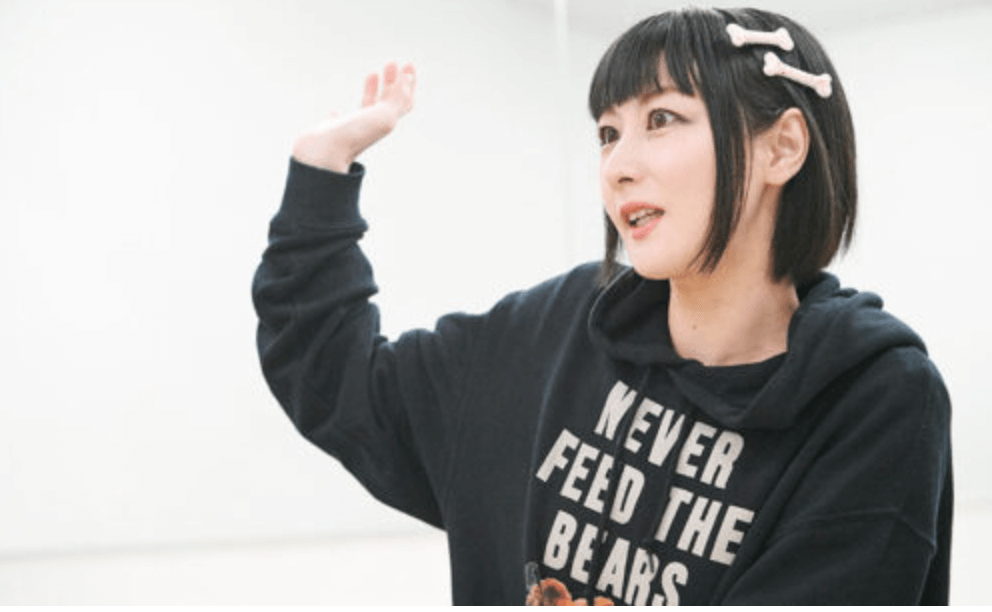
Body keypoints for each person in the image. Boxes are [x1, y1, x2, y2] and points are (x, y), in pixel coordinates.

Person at [252, 6, 952, 605]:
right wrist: (321, 170)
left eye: (662, 119)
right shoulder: (559, 329)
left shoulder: (875, 400)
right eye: (608, 133)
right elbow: (339, 382)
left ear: (783, 147)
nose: (617, 166)